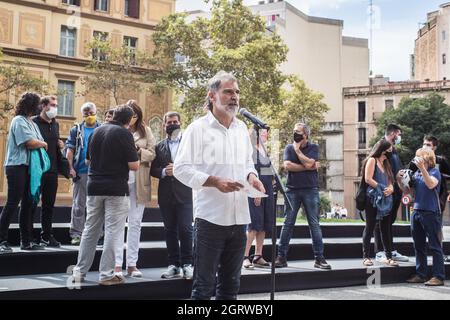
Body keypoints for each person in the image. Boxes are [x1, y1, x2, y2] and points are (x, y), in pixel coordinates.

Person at [173, 71, 266, 300]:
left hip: (239, 219)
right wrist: (214, 182)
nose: (234, 97)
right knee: (203, 287)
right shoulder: (197, 128)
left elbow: (246, 163)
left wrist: (252, 176)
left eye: (236, 92)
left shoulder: (241, 129)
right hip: (210, 220)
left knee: (231, 287)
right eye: (228, 92)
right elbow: (180, 169)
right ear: (212, 96)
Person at [72, 105, 139, 286]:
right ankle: (106, 274)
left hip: (94, 186)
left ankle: (79, 272)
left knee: (89, 230)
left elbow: (87, 160)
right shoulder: (125, 134)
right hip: (116, 188)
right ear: (130, 120)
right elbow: (134, 165)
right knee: (112, 231)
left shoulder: (96, 131)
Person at [275, 123, 331, 270]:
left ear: (305, 135)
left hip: (310, 190)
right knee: (288, 223)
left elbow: (311, 162)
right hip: (292, 190)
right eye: (294, 131)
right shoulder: (288, 147)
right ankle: (281, 257)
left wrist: (298, 152)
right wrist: (308, 166)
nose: (295, 134)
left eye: (298, 132)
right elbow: (287, 166)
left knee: (314, 224)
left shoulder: (314, 147)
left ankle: (319, 258)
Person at [0, 92, 48, 253]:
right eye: (39, 104)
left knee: (29, 204)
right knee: (12, 203)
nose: (41, 107)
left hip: (30, 167)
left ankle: (26, 241)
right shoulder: (18, 121)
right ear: (31, 105)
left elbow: (39, 142)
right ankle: (1, 240)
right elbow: (29, 143)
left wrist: (41, 143)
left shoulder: (32, 123)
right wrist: (42, 143)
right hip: (17, 166)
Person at [114, 100, 156, 278]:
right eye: (130, 115)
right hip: (119, 181)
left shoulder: (146, 131)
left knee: (135, 224)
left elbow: (152, 153)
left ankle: (132, 264)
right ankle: (116, 264)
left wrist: (138, 150)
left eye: (136, 116)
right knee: (116, 224)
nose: (132, 119)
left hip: (139, 183)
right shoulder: (117, 129)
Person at [150, 111, 194, 280]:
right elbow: (153, 170)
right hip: (166, 195)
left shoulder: (189, 144)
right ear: (164, 125)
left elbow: (197, 165)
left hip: (186, 194)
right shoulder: (159, 146)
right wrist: (163, 171)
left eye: (175, 121)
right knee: (170, 230)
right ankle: (173, 265)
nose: (172, 124)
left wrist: (179, 169)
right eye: (169, 122)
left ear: (180, 123)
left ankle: (187, 264)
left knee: (186, 229)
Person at [405, 148, 445, 286]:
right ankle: (421, 274)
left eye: (418, 157)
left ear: (426, 158)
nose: (416, 159)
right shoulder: (416, 173)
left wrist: (422, 168)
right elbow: (409, 191)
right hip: (416, 211)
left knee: (435, 245)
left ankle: (438, 276)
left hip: (431, 212)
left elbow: (431, 184)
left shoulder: (435, 172)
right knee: (419, 245)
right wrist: (401, 180)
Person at [66, 102, 101, 245]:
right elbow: (70, 150)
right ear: (83, 115)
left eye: (92, 113)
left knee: (98, 206)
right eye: (86, 114)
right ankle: (76, 234)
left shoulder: (102, 128)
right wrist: (70, 168)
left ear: (96, 111)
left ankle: (97, 234)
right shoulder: (76, 130)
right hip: (80, 171)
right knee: (79, 205)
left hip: (98, 173)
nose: (89, 116)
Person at [32, 96, 65, 247]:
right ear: (44, 106)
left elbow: (57, 150)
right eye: (52, 105)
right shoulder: (33, 122)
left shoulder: (55, 124)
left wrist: (61, 146)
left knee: (49, 206)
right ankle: (29, 237)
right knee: (31, 204)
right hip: (36, 170)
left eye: (56, 105)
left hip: (52, 171)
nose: (55, 108)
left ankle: (46, 235)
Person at [411, 135, 450, 262]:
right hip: (421, 200)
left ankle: (440, 255)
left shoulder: (440, 161)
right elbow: (410, 176)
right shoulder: (418, 161)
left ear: (434, 147)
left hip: (438, 197)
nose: (425, 147)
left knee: (436, 230)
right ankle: (421, 271)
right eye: (424, 144)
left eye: (428, 145)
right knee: (419, 241)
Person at [374, 124, 409, 262]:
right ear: (393, 133)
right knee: (381, 222)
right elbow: (376, 167)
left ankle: (390, 250)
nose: (399, 137)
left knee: (389, 222)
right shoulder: (381, 146)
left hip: (396, 190)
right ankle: (380, 252)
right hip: (386, 190)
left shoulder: (393, 148)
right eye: (399, 134)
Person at [361, 140, 398, 267]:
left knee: (386, 228)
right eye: (390, 149)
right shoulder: (372, 160)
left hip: (385, 199)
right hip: (372, 198)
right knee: (370, 226)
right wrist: (382, 188)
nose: (391, 151)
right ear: (383, 150)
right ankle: (366, 257)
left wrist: (391, 188)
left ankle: (389, 256)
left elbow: (390, 181)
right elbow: (368, 179)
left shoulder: (386, 163)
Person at [243, 126, 274, 269]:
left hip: (267, 191)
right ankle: (244, 256)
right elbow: (250, 173)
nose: (265, 134)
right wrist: (256, 192)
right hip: (255, 191)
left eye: (266, 132)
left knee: (264, 225)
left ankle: (258, 255)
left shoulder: (265, 150)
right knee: (253, 225)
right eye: (262, 132)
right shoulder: (250, 152)